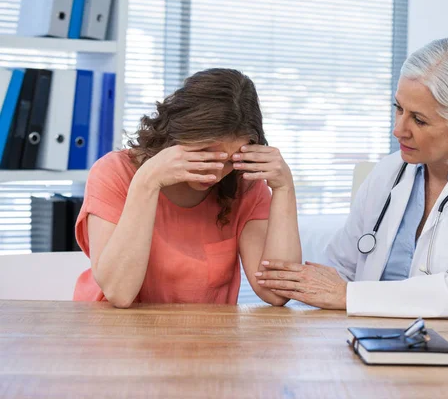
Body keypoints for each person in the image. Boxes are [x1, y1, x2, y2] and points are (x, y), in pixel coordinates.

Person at [254, 37, 448, 319]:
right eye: (398, 108)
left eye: (418, 119)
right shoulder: (388, 173)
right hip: (373, 338)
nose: (398, 130)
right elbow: (339, 269)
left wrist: (347, 295)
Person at [73, 68, 300, 308]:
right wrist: (147, 182)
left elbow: (277, 293)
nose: (215, 172)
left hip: (202, 337)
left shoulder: (244, 183)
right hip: (115, 335)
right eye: (203, 153)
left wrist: (284, 189)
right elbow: (119, 293)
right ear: (178, 132)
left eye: (229, 161)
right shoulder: (114, 172)